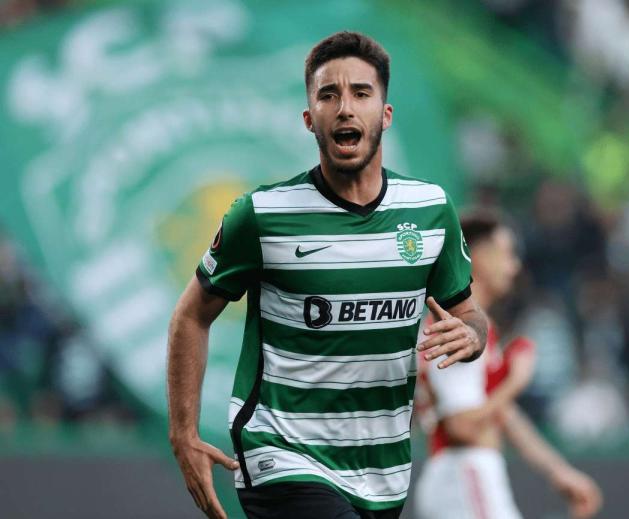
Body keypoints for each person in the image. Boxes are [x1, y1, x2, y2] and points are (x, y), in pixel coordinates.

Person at [166, 31, 489, 519]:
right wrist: (183, 434)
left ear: (385, 114)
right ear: (309, 118)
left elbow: (469, 313)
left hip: (382, 469)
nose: (344, 108)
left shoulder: (429, 210)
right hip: (282, 454)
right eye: (328, 95)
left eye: (360, 93)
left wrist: (472, 334)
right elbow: (191, 316)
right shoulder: (261, 215)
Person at [415, 211, 603, 519]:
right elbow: (461, 426)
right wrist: (515, 381)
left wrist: (558, 470)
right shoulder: (458, 329)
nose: (514, 267)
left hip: (462, 476)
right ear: (478, 257)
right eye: (507, 254)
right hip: (464, 473)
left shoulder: (474, 327)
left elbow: (502, 413)